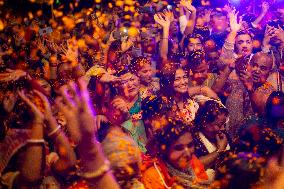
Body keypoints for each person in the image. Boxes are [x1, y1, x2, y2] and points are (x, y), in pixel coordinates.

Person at [141, 120, 209, 189]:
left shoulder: (192, 160)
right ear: (165, 151)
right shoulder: (153, 177)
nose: (188, 154)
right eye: (179, 148)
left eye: (190, 145)